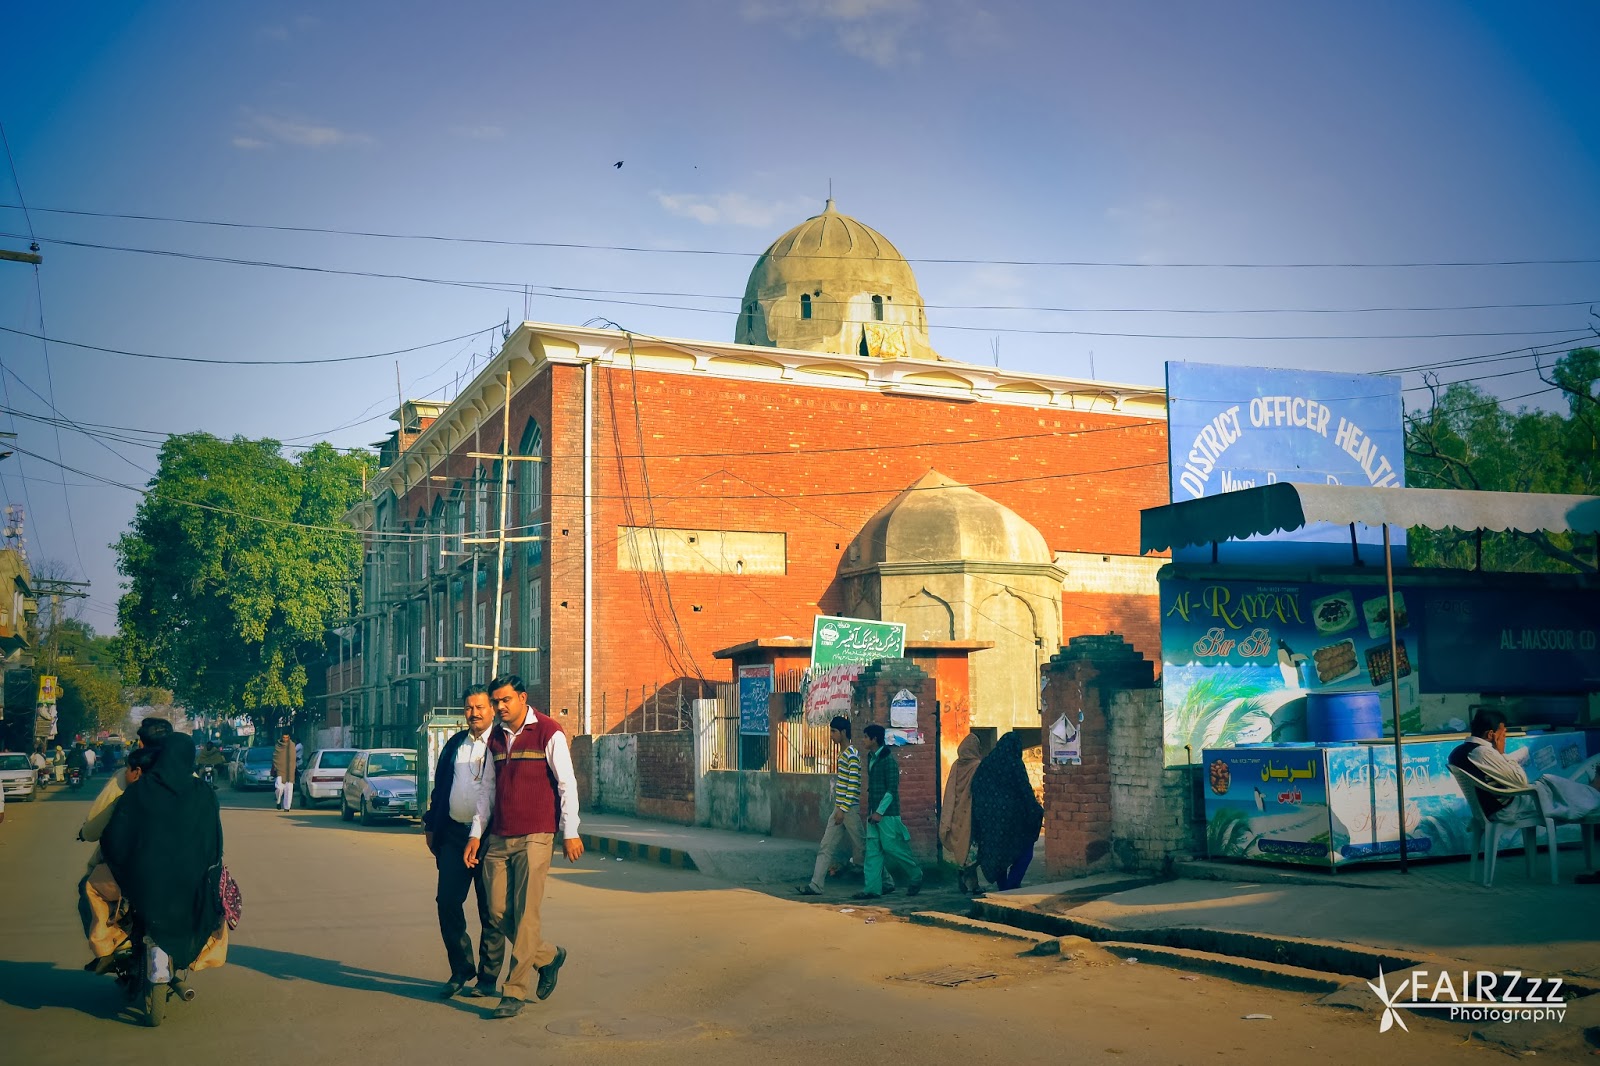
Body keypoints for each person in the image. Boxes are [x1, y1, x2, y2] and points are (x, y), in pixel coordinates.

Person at [475, 675, 583, 1020]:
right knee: (495, 911)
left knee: (525, 916)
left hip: (537, 834)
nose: (499, 707)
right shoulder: (495, 737)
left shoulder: (549, 731)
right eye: (496, 702)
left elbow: (567, 783)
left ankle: (514, 991)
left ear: (523, 698)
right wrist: (476, 833)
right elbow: (486, 790)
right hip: (499, 836)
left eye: (505, 700)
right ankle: (548, 956)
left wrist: (571, 831)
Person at [101, 733, 225, 982]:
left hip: (143, 879)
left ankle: (108, 945)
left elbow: (114, 837)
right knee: (221, 904)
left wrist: (126, 864)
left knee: (97, 890)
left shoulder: (139, 791)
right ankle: (202, 957)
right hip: (191, 880)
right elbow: (215, 842)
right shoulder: (204, 792)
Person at [423, 685, 506, 1000]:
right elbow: (440, 786)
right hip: (455, 836)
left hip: (491, 838)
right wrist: (431, 823)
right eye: (469, 708)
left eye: (481, 707)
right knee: (446, 902)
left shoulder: (501, 744)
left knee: (491, 910)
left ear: (492, 709)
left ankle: (487, 978)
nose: (475, 713)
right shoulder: (454, 745)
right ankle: (461, 969)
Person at [79, 716, 173, 969]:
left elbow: (95, 824)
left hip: (127, 864)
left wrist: (86, 833)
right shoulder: (189, 777)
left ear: (140, 743)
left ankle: (108, 945)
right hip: (179, 862)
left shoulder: (128, 774)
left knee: (87, 887)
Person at [1450, 707, 1600, 824]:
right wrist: (1501, 752)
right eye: (1503, 734)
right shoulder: (1482, 752)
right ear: (1491, 735)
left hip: (1495, 808)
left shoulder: (1459, 751)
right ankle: (1593, 793)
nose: (1504, 738)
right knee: (1548, 782)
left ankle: (1590, 794)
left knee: (1551, 787)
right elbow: (1520, 781)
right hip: (1507, 809)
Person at [796, 716, 879, 896]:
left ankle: (886, 881)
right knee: (826, 846)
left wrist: (842, 808)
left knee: (863, 848)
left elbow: (853, 785)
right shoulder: (843, 754)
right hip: (840, 809)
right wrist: (839, 808)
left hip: (848, 809)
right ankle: (816, 885)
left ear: (843, 732)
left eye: (834, 732)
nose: (831, 735)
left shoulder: (852, 755)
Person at [855, 723, 923, 900]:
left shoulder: (888, 761)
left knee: (892, 848)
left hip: (888, 814)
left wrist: (879, 812)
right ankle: (872, 889)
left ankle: (916, 875)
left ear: (874, 739)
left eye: (865, 737)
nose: (863, 740)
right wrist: (873, 812)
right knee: (872, 852)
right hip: (874, 813)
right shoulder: (871, 758)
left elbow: (892, 790)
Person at [970, 731, 1044, 891]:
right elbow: (1025, 790)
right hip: (1014, 821)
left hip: (989, 822)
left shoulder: (986, 764)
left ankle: (1003, 888)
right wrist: (1035, 811)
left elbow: (975, 789)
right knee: (1026, 851)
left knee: (998, 855)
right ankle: (1012, 885)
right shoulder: (1014, 763)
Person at [939, 733, 984, 895]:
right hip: (972, 815)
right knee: (973, 850)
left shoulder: (956, 766)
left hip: (957, 814)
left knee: (963, 848)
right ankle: (973, 884)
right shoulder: (978, 766)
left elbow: (950, 791)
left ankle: (963, 876)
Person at [272, 733, 295, 811]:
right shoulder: (278, 746)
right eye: (284, 737)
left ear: (289, 737)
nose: (285, 739)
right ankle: (278, 801)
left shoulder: (292, 745)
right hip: (280, 770)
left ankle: (287, 807)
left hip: (290, 771)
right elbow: (275, 757)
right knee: (279, 788)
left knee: (289, 790)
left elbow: (293, 758)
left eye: (286, 737)